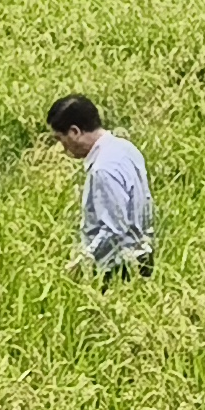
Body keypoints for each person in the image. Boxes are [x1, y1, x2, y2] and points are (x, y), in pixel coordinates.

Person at [48, 95, 154, 278]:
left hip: (119, 268)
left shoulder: (103, 169)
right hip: (143, 257)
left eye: (60, 139)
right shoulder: (127, 149)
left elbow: (114, 229)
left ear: (74, 132)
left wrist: (82, 262)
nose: (62, 147)